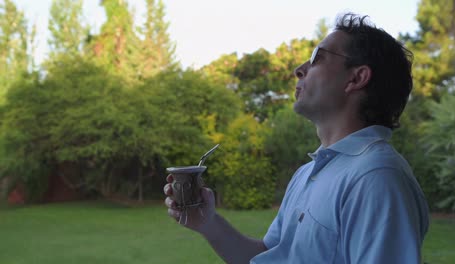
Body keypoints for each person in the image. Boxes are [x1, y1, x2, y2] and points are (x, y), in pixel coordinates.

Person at [164, 13, 429, 264]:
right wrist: (208, 223)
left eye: (317, 58)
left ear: (356, 78)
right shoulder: (308, 173)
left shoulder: (376, 177)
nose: (299, 69)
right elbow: (269, 255)